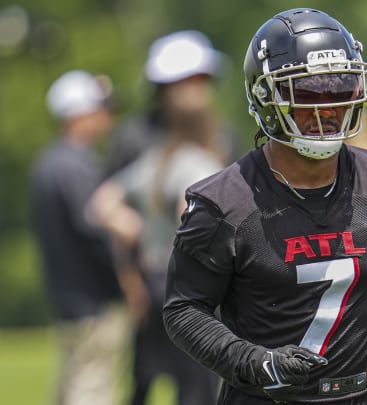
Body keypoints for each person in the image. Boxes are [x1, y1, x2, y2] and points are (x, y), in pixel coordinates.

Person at [163, 8, 367, 405]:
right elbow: (184, 309)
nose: (326, 109)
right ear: (266, 97)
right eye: (308, 93)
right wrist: (256, 362)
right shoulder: (223, 204)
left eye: (340, 90)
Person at [87, 31, 232, 405]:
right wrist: (128, 275)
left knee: (199, 380)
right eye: (190, 81)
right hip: (153, 279)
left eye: (203, 81)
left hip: (203, 282)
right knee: (145, 380)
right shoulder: (135, 138)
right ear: (165, 86)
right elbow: (109, 207)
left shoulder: (221, 135)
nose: (199, 91)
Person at [30, 70, 129, 405]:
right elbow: (96, 232)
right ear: (80, 113)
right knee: (92, 389)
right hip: (93, 304)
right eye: (100, 108)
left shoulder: (48, 164)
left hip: (67, 301)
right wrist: (126, 280)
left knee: (73, 385)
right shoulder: (77, 166)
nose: (107, 116)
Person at [106, 30, 240, 175]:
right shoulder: (135, 137)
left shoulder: (225, 138)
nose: (195, 90)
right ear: (163, 89)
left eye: (201, 80)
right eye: (185, 81)